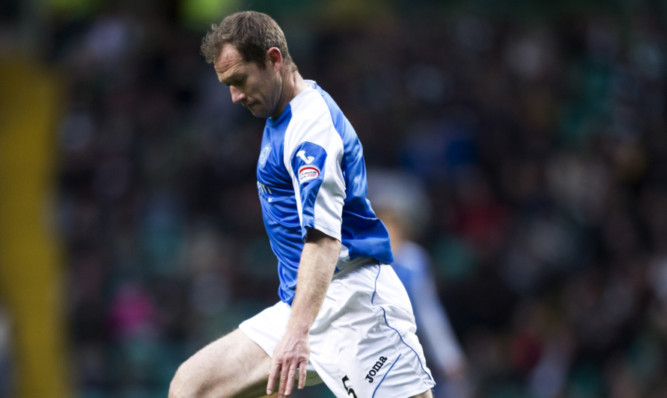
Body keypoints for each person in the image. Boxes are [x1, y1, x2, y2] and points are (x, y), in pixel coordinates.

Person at [168, 11, 435, 398]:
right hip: (304, 304)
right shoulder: (281, 112)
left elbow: (324, 239)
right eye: (227, 85)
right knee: (192, 386)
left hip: (353, 305)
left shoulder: (312, 130)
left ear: (274, 60)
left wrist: (296, 334)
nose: (235, 96)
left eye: (240, 80)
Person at [367, 170, 471, 398]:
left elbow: (428, 313)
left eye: (391, 222)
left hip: (407, 352)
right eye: (379, 221)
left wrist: (448, 356)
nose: (385, 229)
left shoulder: (412, 261)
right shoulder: (363, 261)